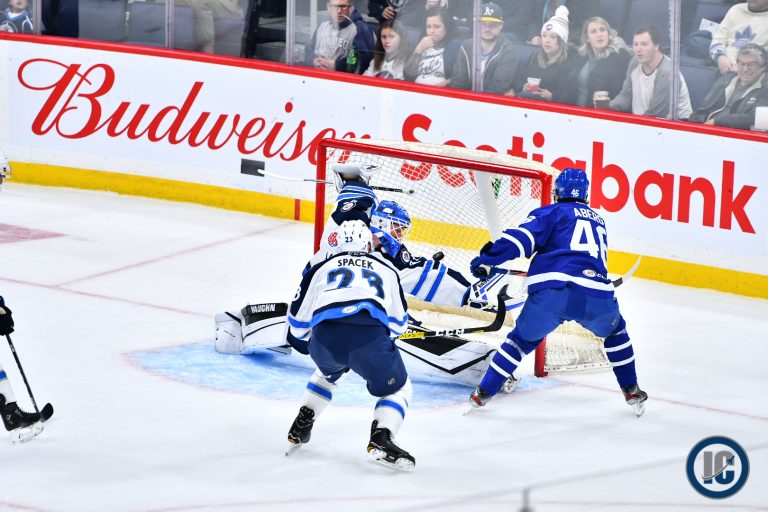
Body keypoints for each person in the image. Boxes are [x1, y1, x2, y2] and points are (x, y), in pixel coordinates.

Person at [468, 168, 648, 417]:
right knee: (616, 333)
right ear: (585, 194)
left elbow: (520, 240)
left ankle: (483, 393)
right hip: (595, 295)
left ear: (557, 192)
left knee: (520, 341)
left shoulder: (550, 212)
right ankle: (631, 389)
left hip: (552, 294)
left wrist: (488, 258)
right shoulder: (598, 220)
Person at [285, 220, 416, 471]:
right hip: (368, 338)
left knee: (329, 371)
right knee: (399, 387)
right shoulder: (387, 269)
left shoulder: (320, 268)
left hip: (324, 341)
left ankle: (302, 421)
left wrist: (320, 335)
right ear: (368, 245)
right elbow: (399, 324)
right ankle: (382, 438)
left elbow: (297, 325)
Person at [607, 26, 694, 120]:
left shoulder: (666, 73)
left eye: (644, 44)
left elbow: (656, 115)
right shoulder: (635, 62)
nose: (638, 49)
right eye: (635, 44)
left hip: (675, 124)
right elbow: (626, 96)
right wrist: (609, 106)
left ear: (656, 46)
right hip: (643, 120)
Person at [508, 5, 581, 104]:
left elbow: (571, 95)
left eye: (553, 37)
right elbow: (520, 80)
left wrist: (552, 96)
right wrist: (524, 86)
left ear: (562, 41)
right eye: (544, 35)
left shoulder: (571, 62)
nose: (547, 40)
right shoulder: (535, 57)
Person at [691, 43, 768, 129]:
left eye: (751, 65)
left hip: (735, 133)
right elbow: (703, 109)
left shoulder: (766, 87)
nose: (745, 69)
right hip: (708, 128)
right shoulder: (726, 79)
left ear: (763, 67)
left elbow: (754, 118)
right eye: (741, 64)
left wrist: (717, 121)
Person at [451, 2, 519, 94]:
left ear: (501, 25)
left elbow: (497, 90)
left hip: (490, 101)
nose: (487, 29)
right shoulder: (466, 46)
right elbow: (458, 83)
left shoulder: (508, 52)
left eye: (492, 25)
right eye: (483, 24)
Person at [572, 16, 632, 108]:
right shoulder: (582, 58)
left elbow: (621, 93)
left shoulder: (620, 56)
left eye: (602, 30)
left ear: (608, 34)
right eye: (593, 31)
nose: (599, 34)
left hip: (602, 112)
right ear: (587, 38)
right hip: (575, 111)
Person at [304, 0, 376, 74]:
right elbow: (309, 49)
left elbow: (363, 61)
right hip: (318, 75)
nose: (339, 11)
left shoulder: (361, 30)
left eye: (343, 6)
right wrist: (314, 60)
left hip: (343, 78)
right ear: (328, 7)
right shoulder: (323, 26)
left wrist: (337, 65)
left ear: (350, 8)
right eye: (335, 6)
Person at [404, 7, 462, 86]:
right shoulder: (423, 44)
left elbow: (458, 79)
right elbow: (408, 75)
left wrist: (433, 90)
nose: (432, 31)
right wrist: (419, 49)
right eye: (428, 27)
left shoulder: (456, 46)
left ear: (447, 27)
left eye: (437, 26)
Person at [710, 0, 768, 75]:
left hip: (753, 73)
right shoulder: (735, 9)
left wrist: (744, 67)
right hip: (723, 66)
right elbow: (718, 39)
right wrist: (720, 57)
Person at [526, 0, 602, 46]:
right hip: (543, 47)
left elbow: (592, 28)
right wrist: (534, 36)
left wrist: (560, 43)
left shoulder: (586, 2)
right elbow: (534, 21)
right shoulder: (540, 1)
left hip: (570, 50)